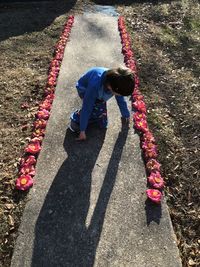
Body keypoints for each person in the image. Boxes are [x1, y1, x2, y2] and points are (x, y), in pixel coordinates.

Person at [68, 67, 135, 141]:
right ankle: (76, 117)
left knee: (99, 112)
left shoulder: (116, 82)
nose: (119, 95)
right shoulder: (95, 85)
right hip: (85, 89)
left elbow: (121, 100)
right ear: (110, 87)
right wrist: (82, 131)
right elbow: (87, 107)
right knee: (91, 108)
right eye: (118, 94)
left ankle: (93, 113)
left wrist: (125, 114)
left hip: (100, 90)